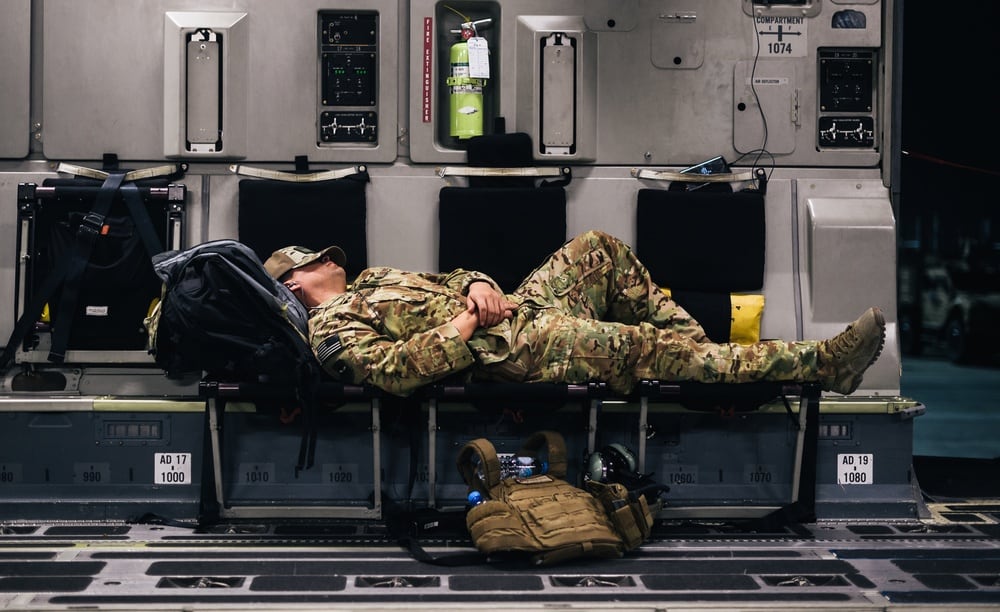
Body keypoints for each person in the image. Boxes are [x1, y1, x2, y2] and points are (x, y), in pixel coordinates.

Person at [264, 230, 885, 398]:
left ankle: (699, 362)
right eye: (319, 258)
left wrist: (477, 283)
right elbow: (393, 370)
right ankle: (822, 365)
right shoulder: (329, 328)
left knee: (598, 250)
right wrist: (469, 323)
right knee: (639, 344)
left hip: (516, 309)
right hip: (511, 349)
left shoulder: (374, 279)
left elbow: (448, 277)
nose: (331, 256)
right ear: (296, 279)